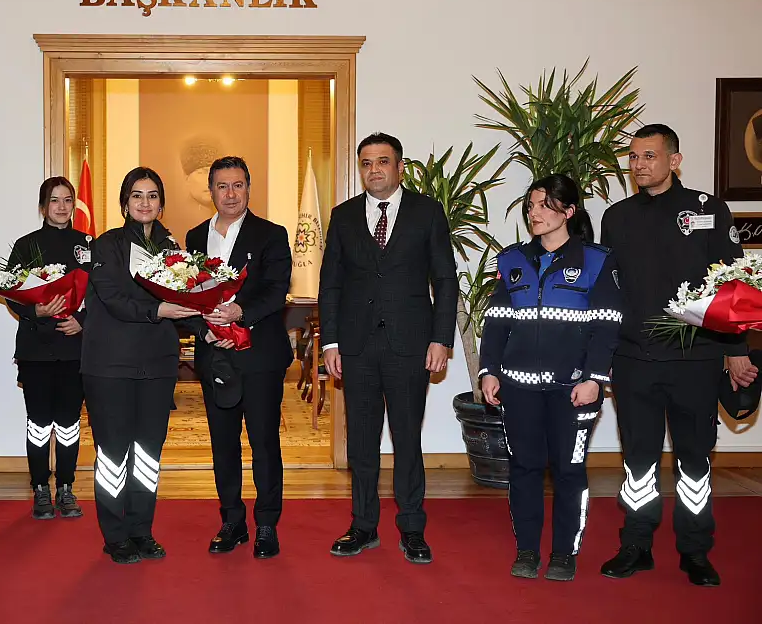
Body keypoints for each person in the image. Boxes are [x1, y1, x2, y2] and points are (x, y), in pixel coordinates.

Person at [599, 124, 757, 587]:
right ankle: (636, 545)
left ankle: (695, 550)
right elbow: (609, 290)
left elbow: (733, 285)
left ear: (674, 160)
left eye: (649, 155)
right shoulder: (616, 217)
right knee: (638, 460)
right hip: (634, 360)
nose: (639, 164)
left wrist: (736, 351)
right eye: (633, 156)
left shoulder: (708, 210)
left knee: (694, 460)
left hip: (696, 360)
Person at [319, 132, 459, 563]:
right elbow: (331, 283)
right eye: (366, 163)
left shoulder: (427, 212)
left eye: (382, 161)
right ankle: (363, 526)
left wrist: (441, 339)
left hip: (410, 345)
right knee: (361, 442)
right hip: (356, 346)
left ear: (400, 167)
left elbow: (445, 280)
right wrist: (330, 341)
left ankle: (412, 527)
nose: (374, 170)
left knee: (407, 439)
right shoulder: (343, 216)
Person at [479, 175, 622, 581]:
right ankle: (526, 550)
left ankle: (564, 553)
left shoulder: (597, 260)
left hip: (573, 390)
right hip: (518, 389)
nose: (534, 213)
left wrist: (594, 379)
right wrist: (489, 370)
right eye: (531, 205)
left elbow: (607, 324)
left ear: (569, 211)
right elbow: (497, 321)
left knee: (568, 471)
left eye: (544, 205)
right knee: (523, 468)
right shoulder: (512, 260)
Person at [81, 167, 200, 564]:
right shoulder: (106, 245)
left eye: (152, 195)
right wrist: (158, 309)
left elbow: (188, 298)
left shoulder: (173, 249)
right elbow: (113, 297)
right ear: (124, 203)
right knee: (113, 453)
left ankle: (141, 530)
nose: (145, 202)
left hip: (158, 364)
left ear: (161, 204)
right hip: (110, 364)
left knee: (148, 453)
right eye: (137, 195)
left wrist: (211, 324)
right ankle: (115, 535)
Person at [185, 156, 293, 559]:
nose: (230, 194)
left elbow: (276, 291)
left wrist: (238, 315)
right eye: (222, 186)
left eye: (238, 185)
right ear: (210, 191)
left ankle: (266, 524)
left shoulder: (271, 235)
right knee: (223, 444)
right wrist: (209, 330)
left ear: (248, 188)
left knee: (264, 443)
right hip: (215, 355)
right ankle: (232, 521)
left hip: (259, 356)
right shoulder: (194, 237)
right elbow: (186, 295)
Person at [6, 176, 93, 520]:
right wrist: (36, 311)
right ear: (43, 207)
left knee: (69, 423)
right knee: (39, 423)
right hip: (36, 348)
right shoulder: (25, 245)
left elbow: (101, 293)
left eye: (67, 200)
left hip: (74, 347)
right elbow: (13, 294)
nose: (61, 206)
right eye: (54, 200)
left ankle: (66, 487)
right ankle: (40, 488)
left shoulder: (88, 244)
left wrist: (82, 322)